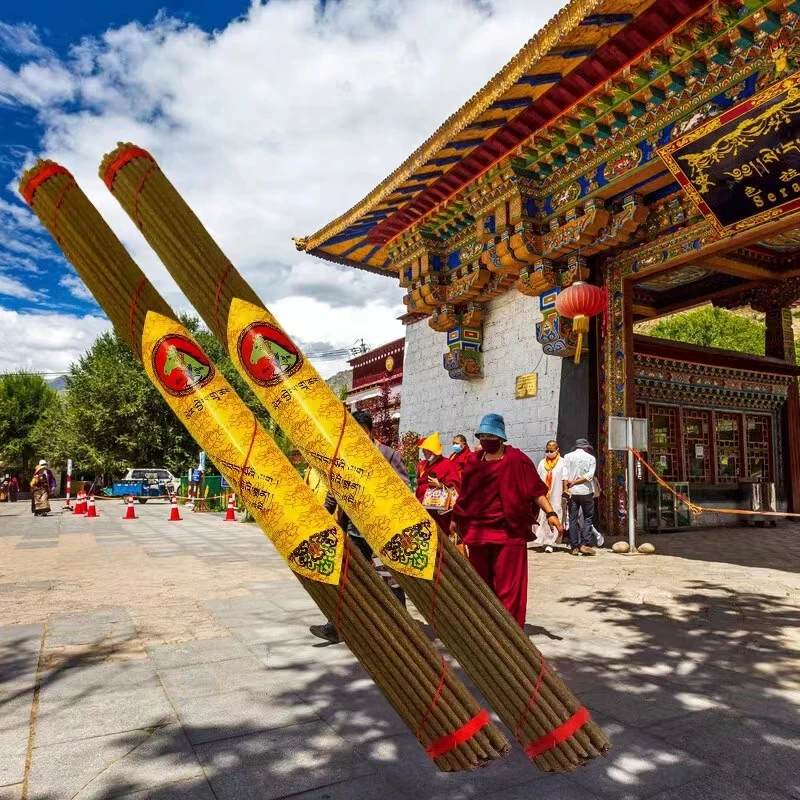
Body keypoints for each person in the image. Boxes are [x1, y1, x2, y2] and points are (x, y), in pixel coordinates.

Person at [451, 414, 564, 628]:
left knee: (508, 587)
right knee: (481, 585)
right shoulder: (474, 462)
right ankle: (486, 628)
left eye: (490, 436)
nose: (486, 440)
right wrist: (456, 518)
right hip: (478, 532)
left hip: (508, 533)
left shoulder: (517, 460)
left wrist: (551, 514)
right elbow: (465, 494)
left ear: (500, 438)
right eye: (482, 435)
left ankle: (509, 632)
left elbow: (535, 492)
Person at [310, 410, 411, 644]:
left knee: (390, 578)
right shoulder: (345, 457)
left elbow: (404, 488)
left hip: (382, 530)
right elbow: (335, 488)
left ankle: (404, 628)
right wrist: (324, 512)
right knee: (348, 577)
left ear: (370, 431)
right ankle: (336, 626)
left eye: (362, 433)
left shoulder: (389, 455)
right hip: (354, 529)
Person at [416, 432, 461, 535]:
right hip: (423, 509)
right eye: (423, 449)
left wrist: (439, 485)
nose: (423, 452)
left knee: (441, 540)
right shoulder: (423, 464)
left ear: (433, 451)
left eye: (426, 449)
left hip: (439, 512)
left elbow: (456, 487)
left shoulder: (447, 464)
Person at [562, 439, 597, 556]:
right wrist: (576, 482)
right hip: (586, 492)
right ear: (586, 448)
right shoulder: (591, 458)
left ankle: (574, 547)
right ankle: (585, 544)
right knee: (588, 518)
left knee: (572, 519)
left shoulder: (567, 456)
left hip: (572, 493)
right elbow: (589, 476)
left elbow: (564, 475)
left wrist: (566, 489)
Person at [534, 441, 566, 553]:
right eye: (547, 451)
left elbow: (565, 479)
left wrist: (566, 491)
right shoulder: (542, 463)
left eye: (551, 451)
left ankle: (551, 542)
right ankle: (544, 540)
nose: (549, 453)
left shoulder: (562, 463)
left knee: (556, 516)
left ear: (557, 450)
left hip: (557, 495)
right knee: (543, 518)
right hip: (544, 496)